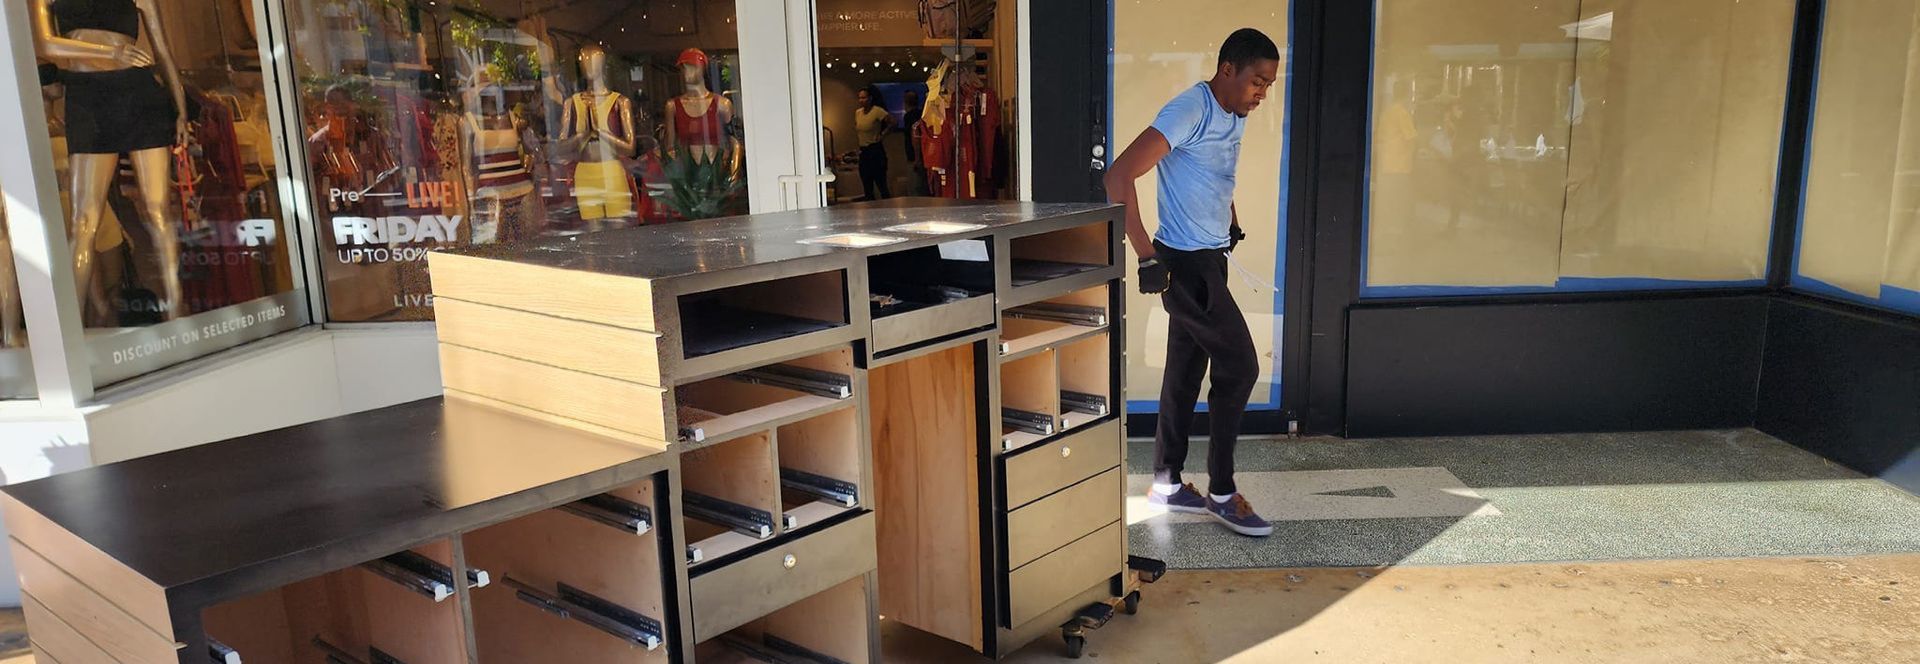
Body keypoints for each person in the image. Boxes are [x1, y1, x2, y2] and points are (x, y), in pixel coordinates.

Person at [1104, 28, 1281, 537]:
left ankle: (1166, 480)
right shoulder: (1190, 109)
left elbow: (1213, 172)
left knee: (1184, 369)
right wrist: (1145, 256)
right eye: (1256, 82)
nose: (1262, 94)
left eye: (1268, 85)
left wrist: (1229, 217)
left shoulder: (1232, 112)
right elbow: (1118, 177)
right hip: (1185, 267)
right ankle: (1222, 492)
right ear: (1228, 69)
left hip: (1211, 258)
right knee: (1241, 365)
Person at [854, 85, 893, 200]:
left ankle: (887, 209)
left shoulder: (877, 111)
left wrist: (882, 134)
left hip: (875, 150)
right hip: (864, 151)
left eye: (864, 98)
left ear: (870, 98)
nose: (861, 100)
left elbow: (892, 122)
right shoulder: (858, 113)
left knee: (881, 184)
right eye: (860, 98)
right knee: (867, 184)